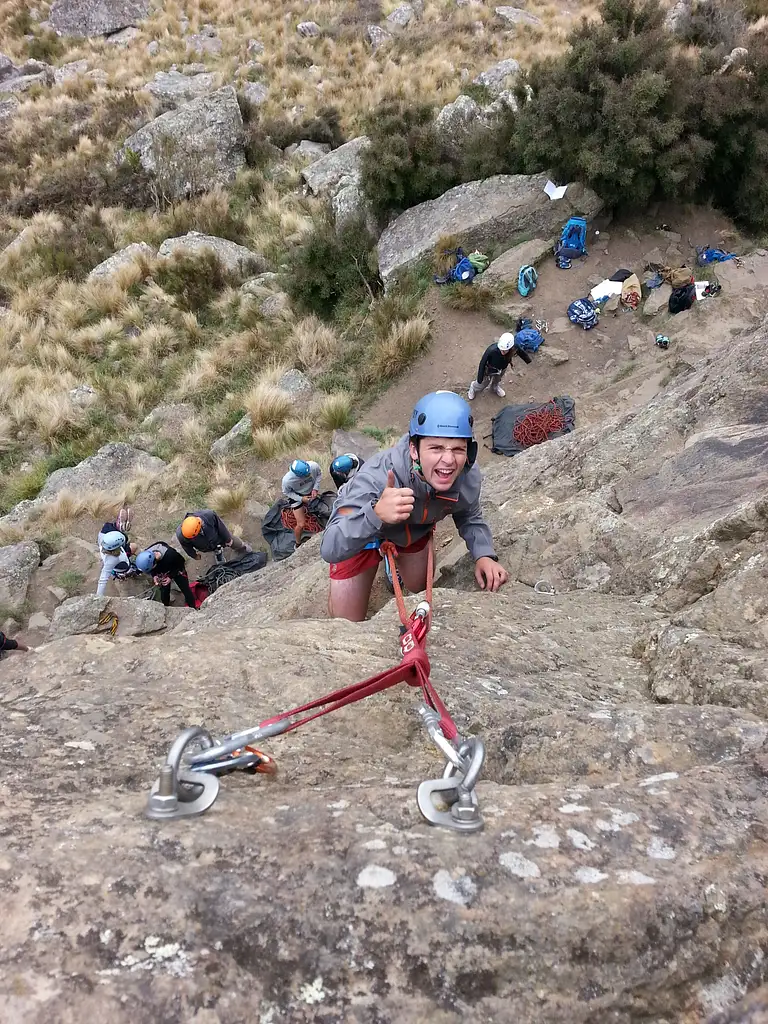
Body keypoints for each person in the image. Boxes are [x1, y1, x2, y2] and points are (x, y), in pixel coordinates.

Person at [320, 390, 509, 621]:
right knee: (346, 621)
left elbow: (469, 514)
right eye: (436, 448)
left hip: (411, 526)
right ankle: (380, 552)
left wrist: (483, 554)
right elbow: (330, 548)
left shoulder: (465, 475)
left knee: (419, 586)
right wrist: (376, 513)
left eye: (458, 449)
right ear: (413, 449)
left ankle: (393, 564)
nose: (449, 460)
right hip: (362, 527)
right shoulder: (377, 476)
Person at [467, 332, 532, 400]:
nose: (502, 351)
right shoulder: (491, 350)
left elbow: (521, 352)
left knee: (497, 380)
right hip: (489, 370)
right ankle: (473, 387)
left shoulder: (514, 347)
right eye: (501, 349)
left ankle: (494, 388)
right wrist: (480, 379)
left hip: (502, 368)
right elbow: (482, 363)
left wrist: (528, 360)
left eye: (504, 350)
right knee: (483, 384)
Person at [135, 543, 197, 608]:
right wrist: (154, 576)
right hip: (162, 571)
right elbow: (151, 569)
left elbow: (181, 563)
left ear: (154, 563)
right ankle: (166, 608)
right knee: (164, 592)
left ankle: (192, 608)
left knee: (185, 589)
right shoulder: (147, 556)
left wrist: (170, 576)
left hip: (176, 568)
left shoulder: (171, 555)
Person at [176, 510, 251, 563]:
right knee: (216, 550)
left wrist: (228, 539)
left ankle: (243, 547)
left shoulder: (209, 515)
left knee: (234, 542)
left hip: (219, 537)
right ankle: (218, 553)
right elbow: (187, 547)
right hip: (206, 546)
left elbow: (221, 527)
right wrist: (194, 555)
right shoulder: (182, 535)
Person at [282, 458, 323, 548]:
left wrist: (315, 488)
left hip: (311, 491)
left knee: (322, 510)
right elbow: (287, 492)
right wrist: (301, 499)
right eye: (306, 475)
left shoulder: (313, 466)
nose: (308, 475)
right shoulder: (287, 480)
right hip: (297, 496)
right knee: (301, 524)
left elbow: (319, 474)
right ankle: (297, 543)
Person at [96, 528, 135, 596]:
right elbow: (103, 579)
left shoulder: (105, 542)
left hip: (117, 563)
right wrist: (98, 596)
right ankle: (125, 574)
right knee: (134, 547)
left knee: (133, 547)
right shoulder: (112, 560)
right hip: (122, 568)